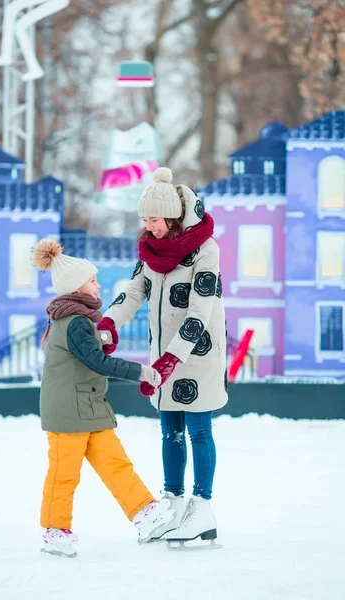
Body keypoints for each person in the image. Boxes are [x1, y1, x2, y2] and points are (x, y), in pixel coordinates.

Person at [97, 167, 228, 544]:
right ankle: (172, 501)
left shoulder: (206, 250)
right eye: (145, 219)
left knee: (198, 431)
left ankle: (202, 507)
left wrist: (171, 359)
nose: (148, 225)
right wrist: (109, 322)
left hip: (197, 354)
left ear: (171, 217)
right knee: (169, 430)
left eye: (153, 219)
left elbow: (200, 312)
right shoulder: (151, 250)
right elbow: (135, 290)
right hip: (161, 357)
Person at [32, 237, 174, 558]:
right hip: (69, 411)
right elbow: (96, 361)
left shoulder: (81, 322)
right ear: (76, 287)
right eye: (93, 281)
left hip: (90, 406)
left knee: (116, 464)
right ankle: (55, 530)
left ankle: (145, 514)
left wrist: (103, 337)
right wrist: (139, 371)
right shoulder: (75, 323)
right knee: (63, 473)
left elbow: (91, 353)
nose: (98, 286)